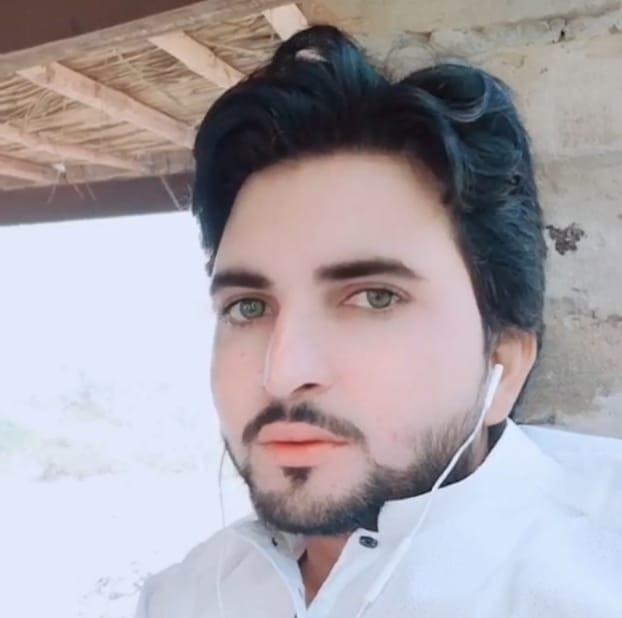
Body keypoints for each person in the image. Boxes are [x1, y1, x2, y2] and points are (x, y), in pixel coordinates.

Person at [134, 25, 622, 618]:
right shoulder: (183, 597)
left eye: (374, 298)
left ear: (504, 361)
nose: (281, 373)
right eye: (248, 307)